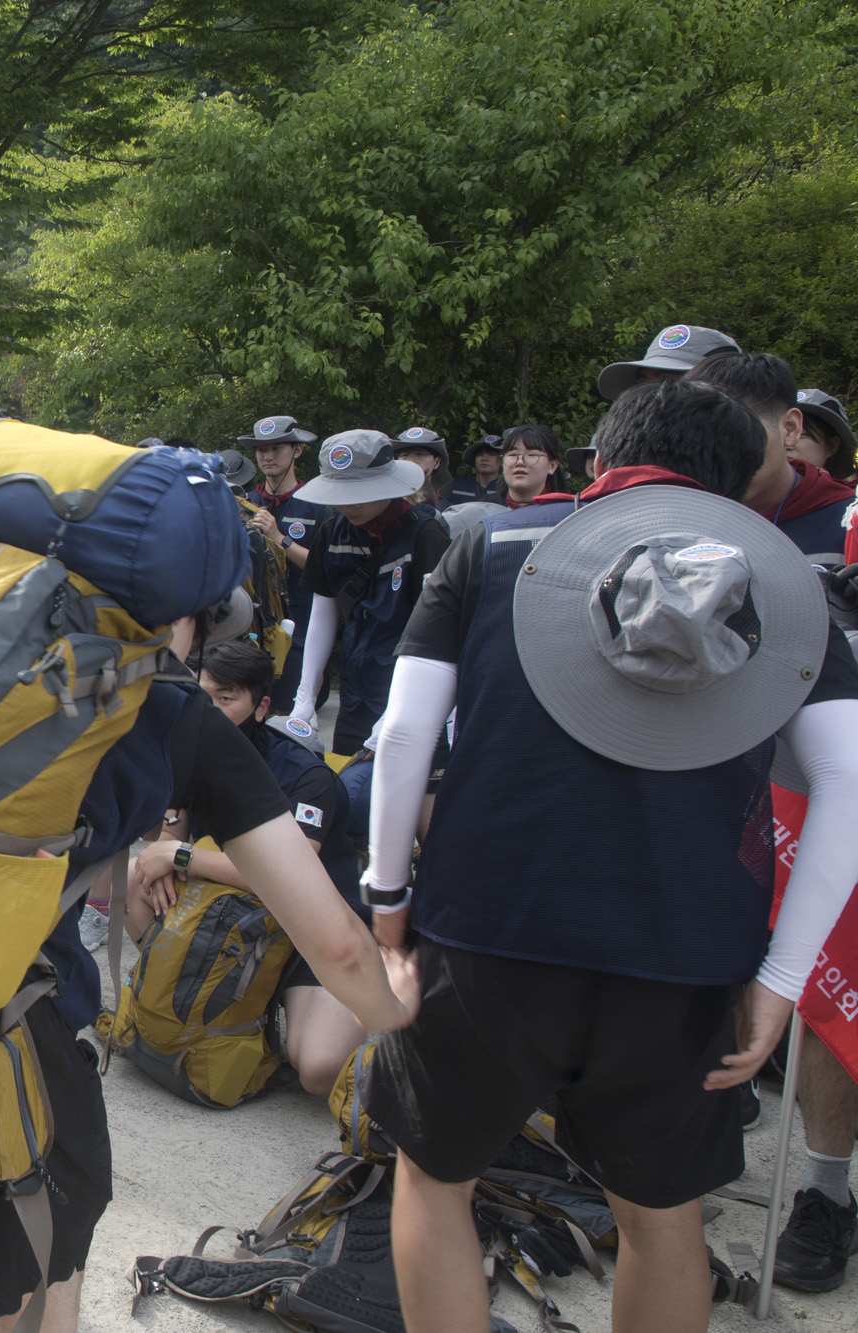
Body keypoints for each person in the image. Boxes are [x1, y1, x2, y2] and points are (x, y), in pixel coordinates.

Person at [0, 605, 421, 1333]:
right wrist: (394, 1007)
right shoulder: (168, 707)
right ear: (181, 613)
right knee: (39, 1288)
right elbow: (334, 938)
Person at [363, 377, 858, 1332]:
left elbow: (400, 733)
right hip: (684, 950)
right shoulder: (785, 587)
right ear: (741, 487)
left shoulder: (492, 544)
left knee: (436, 1177)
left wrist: (389, 904)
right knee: (662, 1214)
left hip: (488, 925)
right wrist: (783, 976)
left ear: (596, 459)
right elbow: (845, 777)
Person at [165, 640, 367, 1097]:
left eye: (226, 698)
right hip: (239, 921)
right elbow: (164, 838)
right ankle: (237, 1008)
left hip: (313, 935)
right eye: (203, 695)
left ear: (262, 707)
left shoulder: (307, 776)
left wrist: (178, 855)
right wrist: (168, 840)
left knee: (317, 1069)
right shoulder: (194, 750)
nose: (210, 709)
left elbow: (289, 878)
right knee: (145, 883)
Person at [286, 430, 451, 755]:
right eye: (342, 493)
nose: (351, 504)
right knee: (348, 789)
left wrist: (399, 708)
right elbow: (322, 614)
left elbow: (437, 634)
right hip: (355, 694)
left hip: (410, 697)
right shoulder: (331, 532)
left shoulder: (425, 536)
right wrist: (304, 698)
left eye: (360, 491)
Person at [689, 352, 855, 565]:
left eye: (739, 433)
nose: (721, 453)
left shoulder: (848, 524)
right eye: (702, 437)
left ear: (790, 428)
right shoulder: (677, 520)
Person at [240, 415, 324, 713]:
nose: (267, 456)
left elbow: (326, 569)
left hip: (300, 632)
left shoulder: (317, 503)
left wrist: (279, 539)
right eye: (261, 449)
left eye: (277, 448)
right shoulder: (245, 500)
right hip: (250, 632)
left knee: (287, 720)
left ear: (297, 451)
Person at [595, 323, 740, 401]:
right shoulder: (618, 442)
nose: (646, 390)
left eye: (667, 381)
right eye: (641, 380)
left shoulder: (746, 447)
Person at [795, 389, 857, 483]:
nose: (787, 442)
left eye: (801, 435)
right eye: (781, 433)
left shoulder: (846, 497)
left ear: (831, 446)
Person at [497, 424, 563, 507]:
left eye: (532, 455)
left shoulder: (568, 515)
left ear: (552, 465)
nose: (520, 462)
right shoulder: (489, 511)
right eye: (513, 455)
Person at [437, 435, 505, 509]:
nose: (484, 458)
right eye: (480, 454)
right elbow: (437, 505)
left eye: (492, 455)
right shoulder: (456, 485)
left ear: (502, 460)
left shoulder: (507, 488)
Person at [391, 427, 449, 507]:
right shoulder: (383, 503)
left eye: (420, 454)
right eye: (405, 455)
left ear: (437, 462)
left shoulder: (446, 511)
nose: (411, 461)